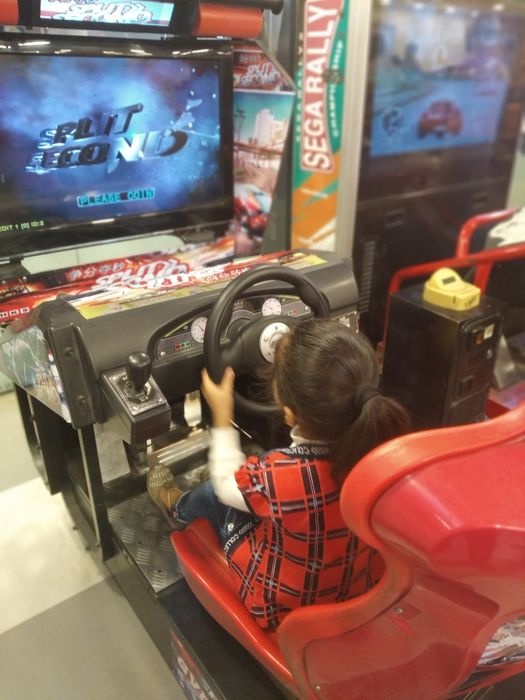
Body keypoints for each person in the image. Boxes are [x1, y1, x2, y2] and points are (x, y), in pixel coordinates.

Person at [147, 318, 410, 630]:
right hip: (354, 589)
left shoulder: (276, 476)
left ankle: (176, 507)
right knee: (258, 474)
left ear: (287, 413)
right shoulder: (382, 452)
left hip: (280, 607)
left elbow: (223, 484)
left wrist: (221, 414)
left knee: (212, 494)